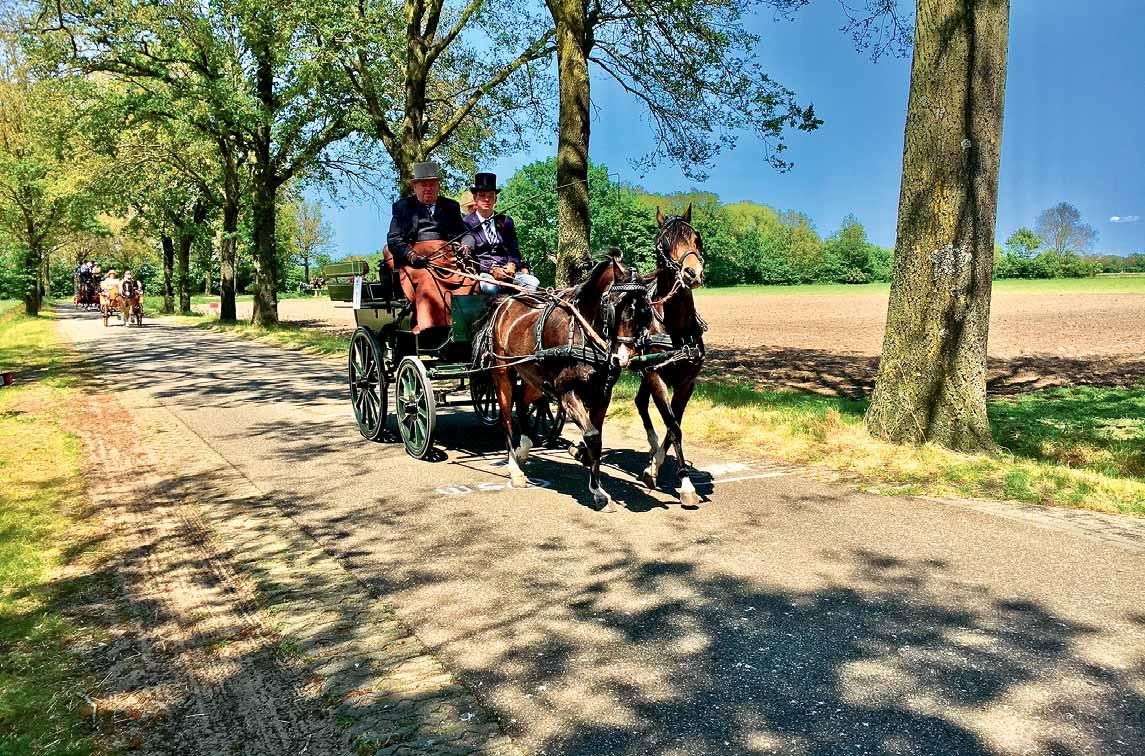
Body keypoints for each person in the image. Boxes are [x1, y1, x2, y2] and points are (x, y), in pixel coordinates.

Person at [385, 161, 476, 336]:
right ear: (415, 187)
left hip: (448, 259)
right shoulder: (402, 207)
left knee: (471, 279)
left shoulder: (450, 207)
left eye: (432, 184)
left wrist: (466, 246)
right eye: (423, 184)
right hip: (417, 261)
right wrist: (411, 256)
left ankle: (467, 329)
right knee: (428, 280)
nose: (428, 188)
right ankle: (433, 329)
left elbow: (466, 234)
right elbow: (394, 239)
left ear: (438, 186)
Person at [462, 172, 539, 295]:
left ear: (495, 199)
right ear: (475, 198)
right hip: (484, 273)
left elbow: (514, 250)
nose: (486, 199)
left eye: (490, 196)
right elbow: (469, 256)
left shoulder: (506, 221)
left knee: (532, 283)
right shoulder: (466, 223)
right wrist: (491, 269)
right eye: (482, 195)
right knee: (490, 288)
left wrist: (512, 264)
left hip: (508, 272)